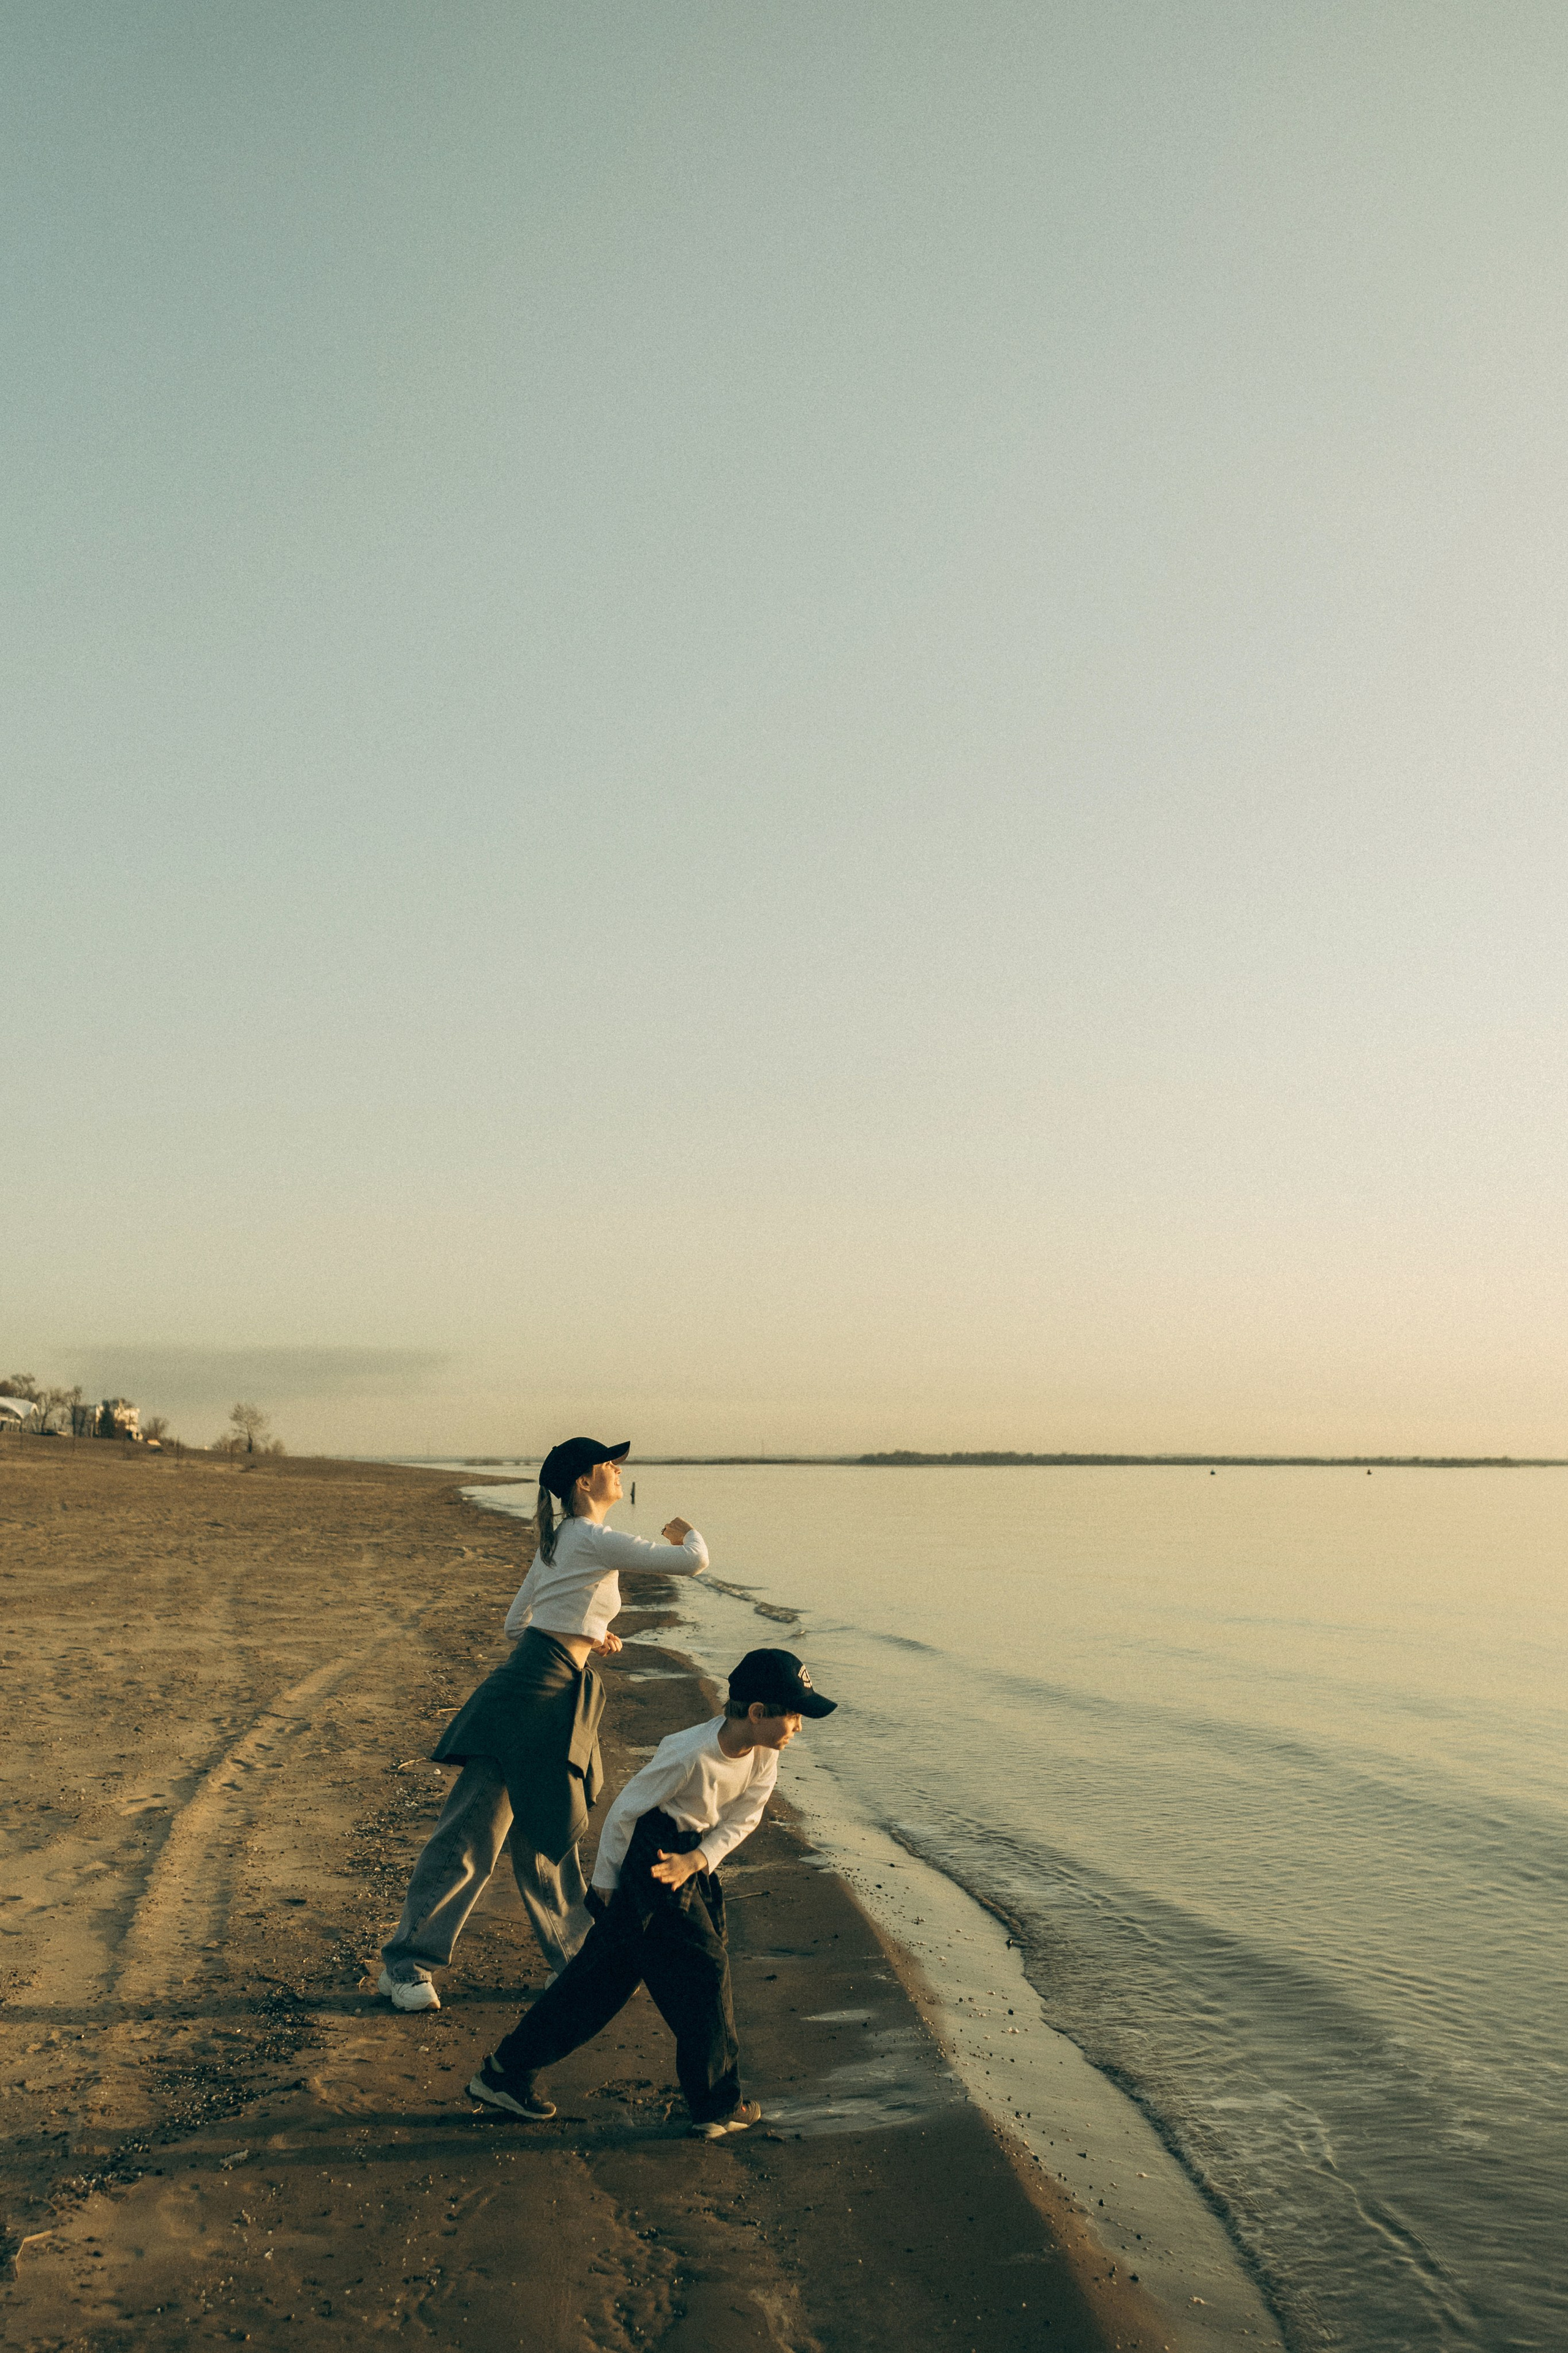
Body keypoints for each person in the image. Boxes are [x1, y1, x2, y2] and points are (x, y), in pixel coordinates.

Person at [377, 1437, 709, 2013]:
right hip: (531, 1691)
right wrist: (687, 1533)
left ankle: (577, 1964)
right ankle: (406, 1967)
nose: (616, 1470)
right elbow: (692, 1562)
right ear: (584, 1482)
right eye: (608, 1463)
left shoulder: (561, 1540)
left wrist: (588, 1631)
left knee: (550, 1830)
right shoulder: (589, 1537)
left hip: (554, 1684)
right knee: (471, 1831)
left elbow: (517, 1621)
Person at [466, 1647, 837, 2138]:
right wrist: (605, 1884)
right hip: (653, 1856)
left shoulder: (765, 1755)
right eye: (793, 1714)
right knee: (706, 1968)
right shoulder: (689, 1752)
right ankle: (716, 2105)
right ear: (757, 1713)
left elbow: (746, 1816)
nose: (799, 1726)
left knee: (604, 1978)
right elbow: (625, 1812)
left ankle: (504, 2072)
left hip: (689, 1857)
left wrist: (699, 1860)